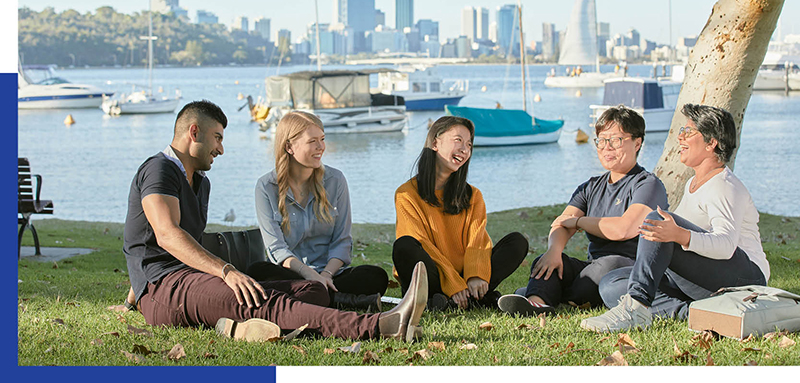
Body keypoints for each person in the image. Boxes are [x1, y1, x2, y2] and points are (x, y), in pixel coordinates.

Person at [122, 99, 427, 342]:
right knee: (263, 301)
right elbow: (166, 235)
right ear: (194, 132)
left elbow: (147, 244)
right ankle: (381, 325)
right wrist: (226, 271)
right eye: (217, 138)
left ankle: (241, 327)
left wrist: (131, 298)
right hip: (167, 288)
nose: (221, 149)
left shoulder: (200, 182)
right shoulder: (160, 169)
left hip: (186, 281)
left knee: (312, 291)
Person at [581, 104, 769, 332]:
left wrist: (681, 235)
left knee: (658, 220)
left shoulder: (724, 185)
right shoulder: (692, 183)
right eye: (681, 130)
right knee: (612, 283)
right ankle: (693, 313)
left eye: (688, 131)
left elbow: (726, 245)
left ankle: (636, 306)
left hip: (745, 281)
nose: (680, 137)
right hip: (702, 279)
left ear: (711, 143)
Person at [498, 105, 668, 316]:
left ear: (637, 143)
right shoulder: (590, 187)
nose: (607, 147)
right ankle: (535, 303)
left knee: (606, 266)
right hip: (593, 267)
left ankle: (548, 292)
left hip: (626, 270)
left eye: (615, 140)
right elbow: (562, 223)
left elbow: (624, 229)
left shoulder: (648, 184)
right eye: (601, 140)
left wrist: (579, 222)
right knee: (546, 260)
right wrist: (554, 251)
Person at [251, 111, 388, 311]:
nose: (321, 147)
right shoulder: (266, 187)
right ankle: (342, 300)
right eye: (312, 141)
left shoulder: (336, 180)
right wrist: (309, 275)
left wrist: (325, 275)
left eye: (322, 139)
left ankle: (316, 297)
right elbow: (276, 249)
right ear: (289, 147)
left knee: (375, 276)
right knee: (257, 272)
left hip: (332, 276)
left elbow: (342, 241)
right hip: (292, 275)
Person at [392, 115, 528, 311]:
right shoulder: (406, 194)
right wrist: (453, 283)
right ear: (435, 143)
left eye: (469, 144)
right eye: (458, 140)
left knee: (516, 242)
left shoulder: (473, 195)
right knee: (405, 245)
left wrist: (475, 275)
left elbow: (477, 241)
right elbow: (422, 244)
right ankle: (466, 299)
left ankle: (455, 300)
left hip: (465, 277)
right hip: (432, 276)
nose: (465, 149)